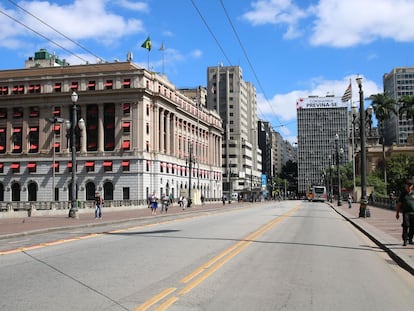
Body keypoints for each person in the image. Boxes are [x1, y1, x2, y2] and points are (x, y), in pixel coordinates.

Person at [396, 178, 414, 246]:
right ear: (405, 185)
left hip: (413, 213)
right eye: (408, 185)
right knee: (406, 226)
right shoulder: (403, 194)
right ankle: (405, 240)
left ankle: (410, 239)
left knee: (412, 227)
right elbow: (399, 204)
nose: (409, 186)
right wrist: (397, 213)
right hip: (406, 212)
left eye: (411, 185)